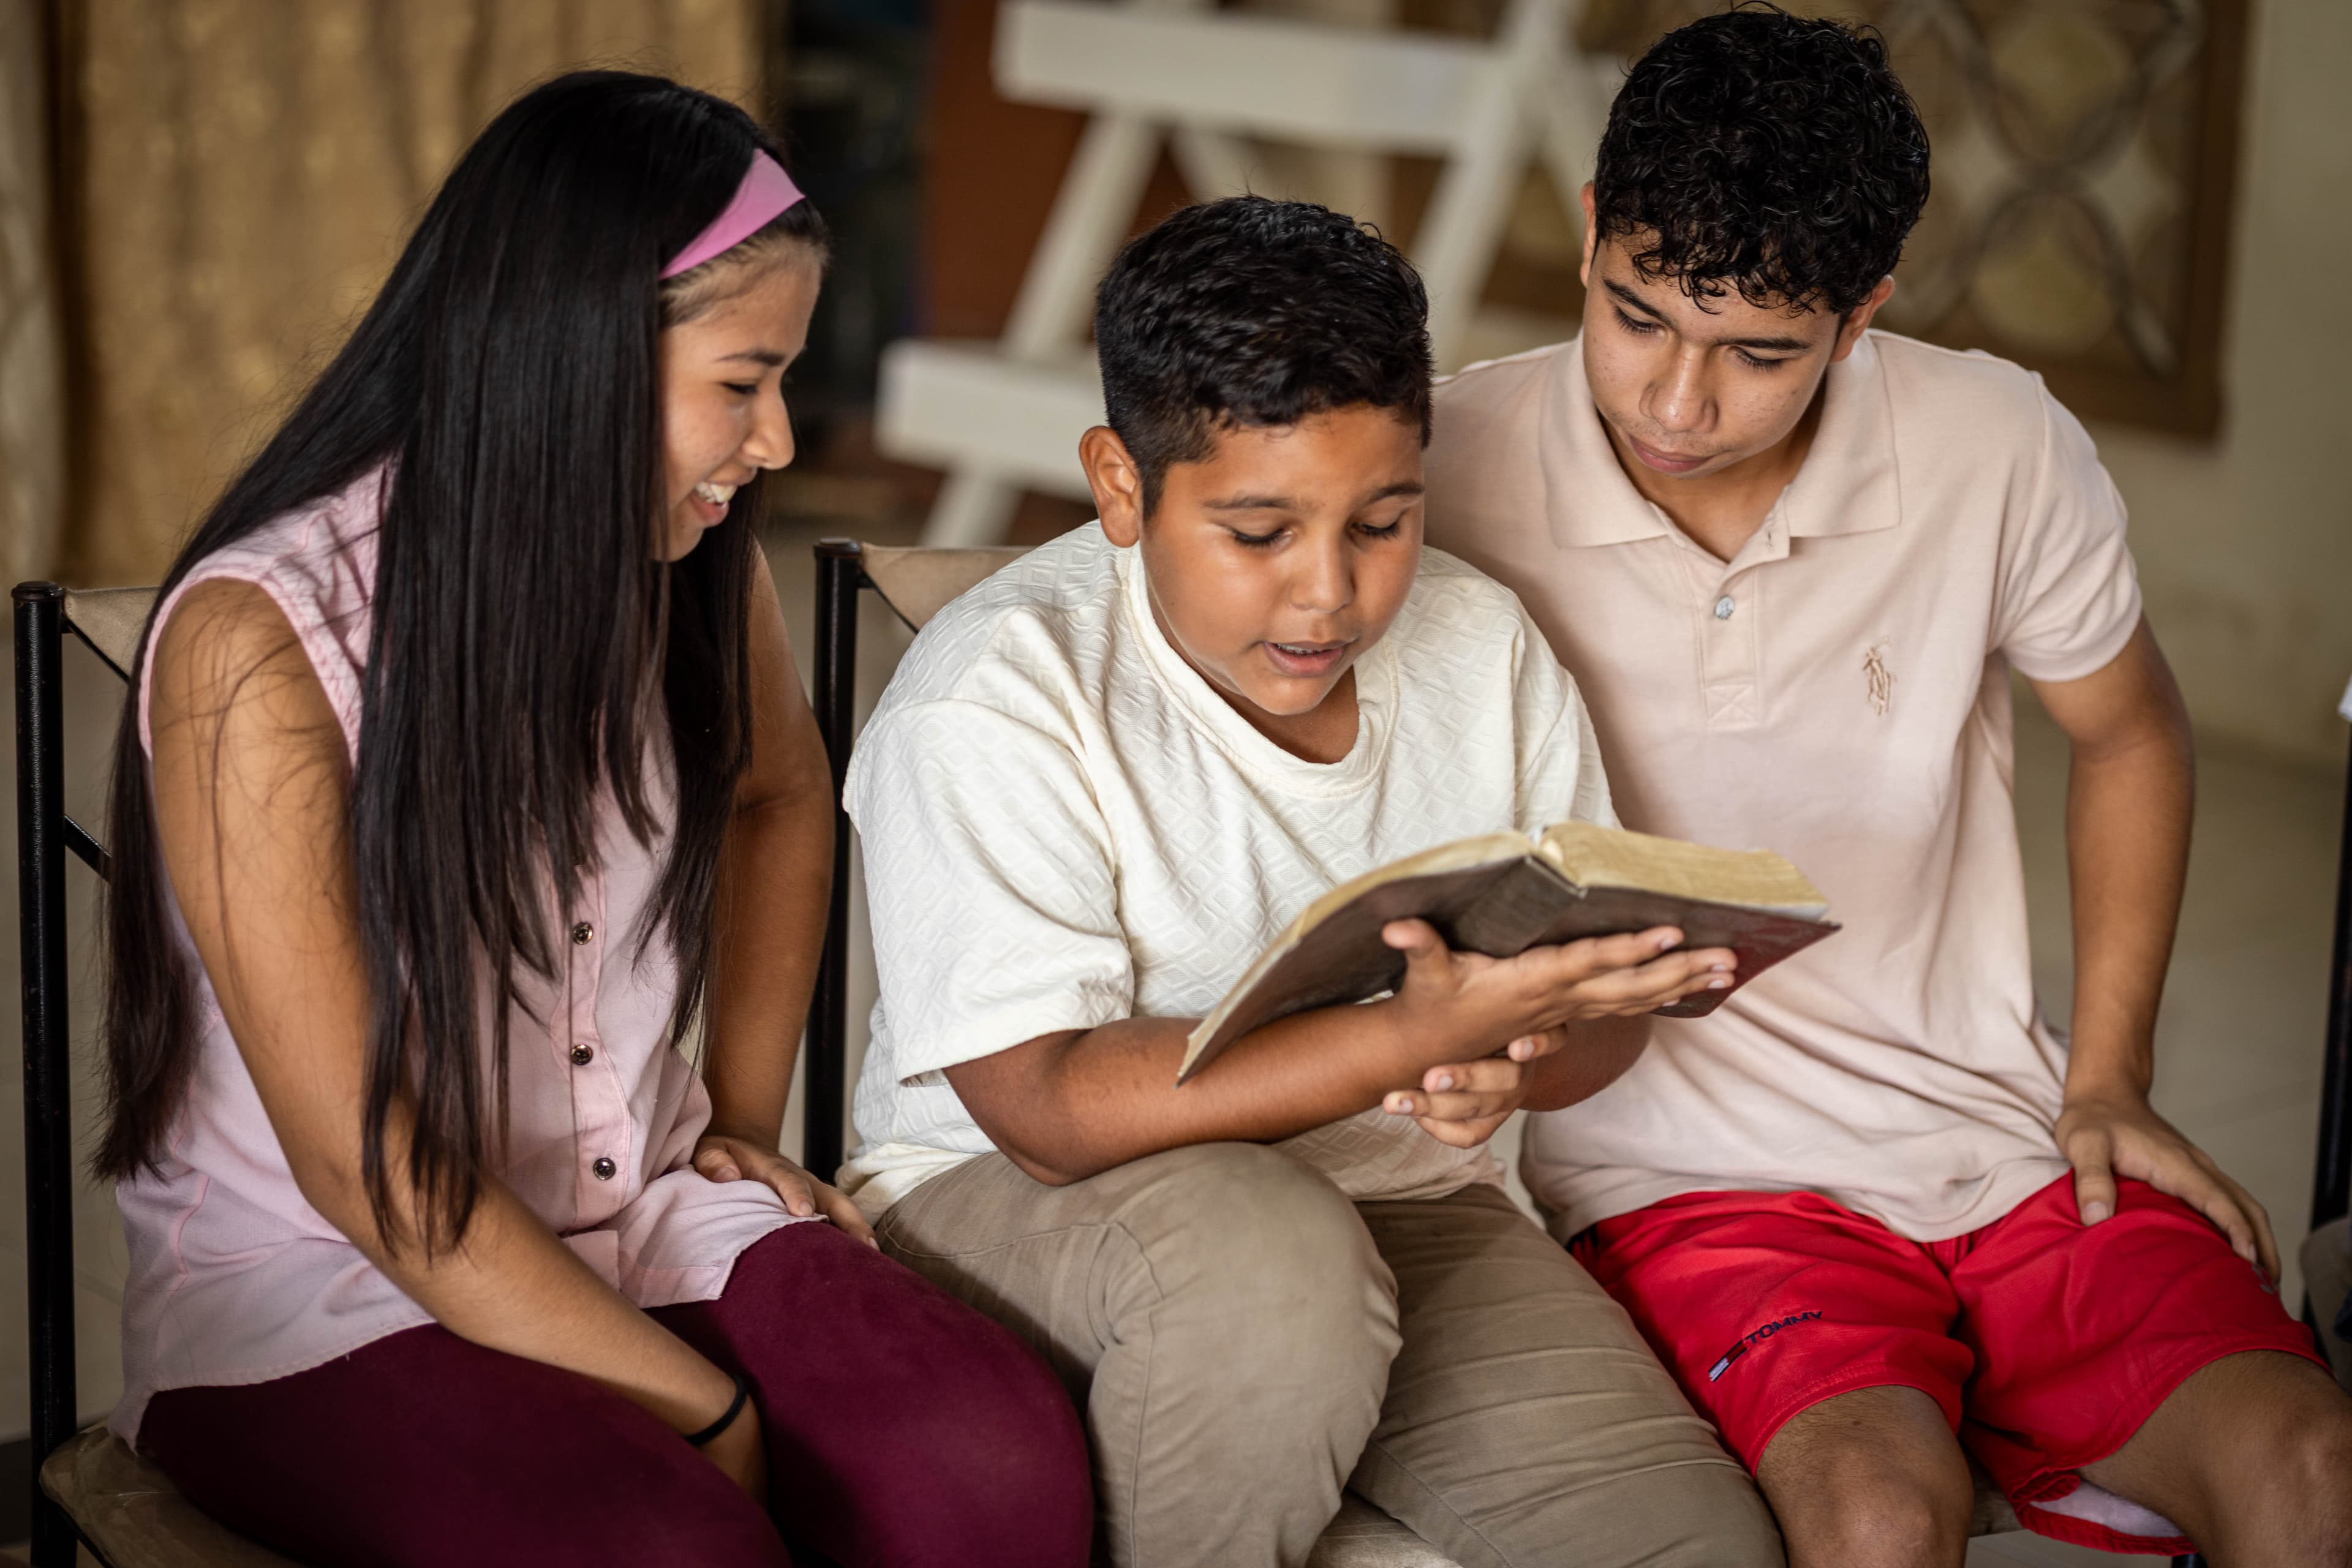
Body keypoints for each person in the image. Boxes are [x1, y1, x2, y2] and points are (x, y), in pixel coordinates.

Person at [99, 71, 1090, 1568]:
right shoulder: (264, 640)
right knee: (669, 1544)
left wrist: (740, 1128)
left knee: (993, 1468)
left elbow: (774, 798)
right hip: (333, 1281)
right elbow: (373, 1172)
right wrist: (702, 1409)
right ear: (580, 355)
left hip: (641, 1204)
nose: (773, 446)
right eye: (742, 382)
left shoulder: (686, 550)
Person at [1422, 9, 2352, 1565]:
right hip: (1675, 1172)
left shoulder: (1996, 443)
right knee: (1876, 1511)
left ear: (1865, 318)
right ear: (1589, 236)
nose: (1675, 403)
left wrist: (2105, 1074)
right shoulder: (1448, 461)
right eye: (1639, 314)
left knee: (2317, 1463)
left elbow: (2130, 731)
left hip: (1983, 1127)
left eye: (1759, 353)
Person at [836, 195, 1782, 1568]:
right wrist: (1401, 1038)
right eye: (1260, 532)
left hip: (1410, 1202)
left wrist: (1516, 1056)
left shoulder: (1485, 647)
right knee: (1275, 1261)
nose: (1329, 596)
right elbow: (1043, 1109)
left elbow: (1601, 1013)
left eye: (1382, 522)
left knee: (1697, 1548)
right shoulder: (995, 696)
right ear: (1120, 485)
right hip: (1008, 1202)